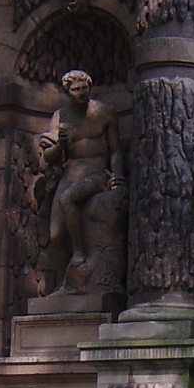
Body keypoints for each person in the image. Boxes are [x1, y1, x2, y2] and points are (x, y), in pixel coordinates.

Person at [35, 69, 123, 293]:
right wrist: (62, 144)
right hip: (71, 171)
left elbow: (115, 151)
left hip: (95, 172)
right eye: (76, 90)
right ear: (67, 92)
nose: (81, 93)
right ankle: (65, 285)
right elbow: (49, 156)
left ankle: (79, 252)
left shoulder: (105, 113)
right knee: (55, 235)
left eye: (84, 88)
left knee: (67, 200)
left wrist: (119, 178)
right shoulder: (60, 116)